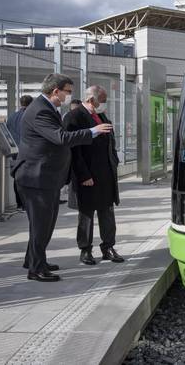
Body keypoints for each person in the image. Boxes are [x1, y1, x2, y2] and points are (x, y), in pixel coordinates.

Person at [11, 74, 112, 282]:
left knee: (43, 224)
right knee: (41, 225)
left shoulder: (46, 108)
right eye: (67, 91)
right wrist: (93, 131)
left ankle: (34, 260)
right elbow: (61, 138)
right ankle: (36, 270)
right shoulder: (40, 111)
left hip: (45, 177)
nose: (70, 95)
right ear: (55, 91)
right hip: (36, 177)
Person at [63, 85, 124, 265]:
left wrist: (114, 162)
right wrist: (83, 175)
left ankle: (108, 247)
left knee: (107, 212)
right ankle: (85, 250)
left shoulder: (102, 116)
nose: (104, 105)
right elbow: (74, 150)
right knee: (87, 214)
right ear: (91, 100)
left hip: (106, 174)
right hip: (87, 175)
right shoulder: (74, 117)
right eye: (102, 101)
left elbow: (109, 143)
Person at [6, 95, 33, 209]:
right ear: (31, 104)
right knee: (30, 177)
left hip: (14, 151)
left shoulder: (12, 116)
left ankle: (19, 203)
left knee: (18, 176)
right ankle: (27, 203)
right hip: (27, 150)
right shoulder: (30, 116)